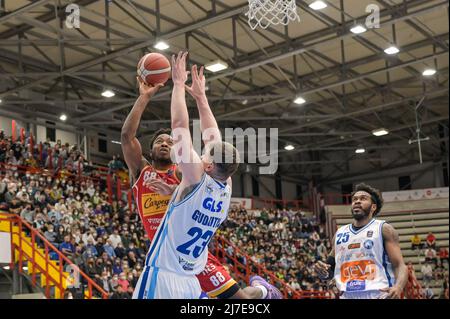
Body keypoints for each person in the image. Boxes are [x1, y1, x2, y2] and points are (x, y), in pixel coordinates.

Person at [123, 53, 280, 299]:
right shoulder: (225, 184)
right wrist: (200, 97)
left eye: (205, 155)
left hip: (164, 272)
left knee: (239, 299)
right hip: (189, 274)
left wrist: (177, 85)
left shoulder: (193, 177)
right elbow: (212, 136)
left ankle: (260, 292)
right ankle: (263, 292)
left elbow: (180, 126)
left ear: (207, 166)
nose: (202, 153)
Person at [314, 183, 408, 299]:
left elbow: (400, 265)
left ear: (373, 207)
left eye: (363, 198)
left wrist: (398, 287)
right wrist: (322, 271)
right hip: (347, 295)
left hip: (379, 294)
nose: (357, 201)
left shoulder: (384, 229)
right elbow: (329, 270)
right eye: (355, 199)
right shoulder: (340, 233)